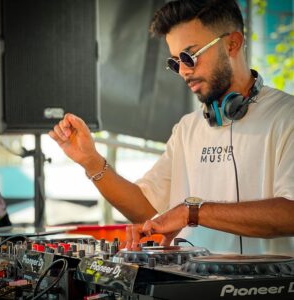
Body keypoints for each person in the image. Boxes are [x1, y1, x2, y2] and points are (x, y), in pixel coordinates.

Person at [49, 0, 294, 255]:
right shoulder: (187, 128)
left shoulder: (287, 116)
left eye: (190, 56)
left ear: (232, 43)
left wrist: (193, 213)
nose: (184, 72)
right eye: (175, 62)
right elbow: (145, 209)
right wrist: (91, 161)